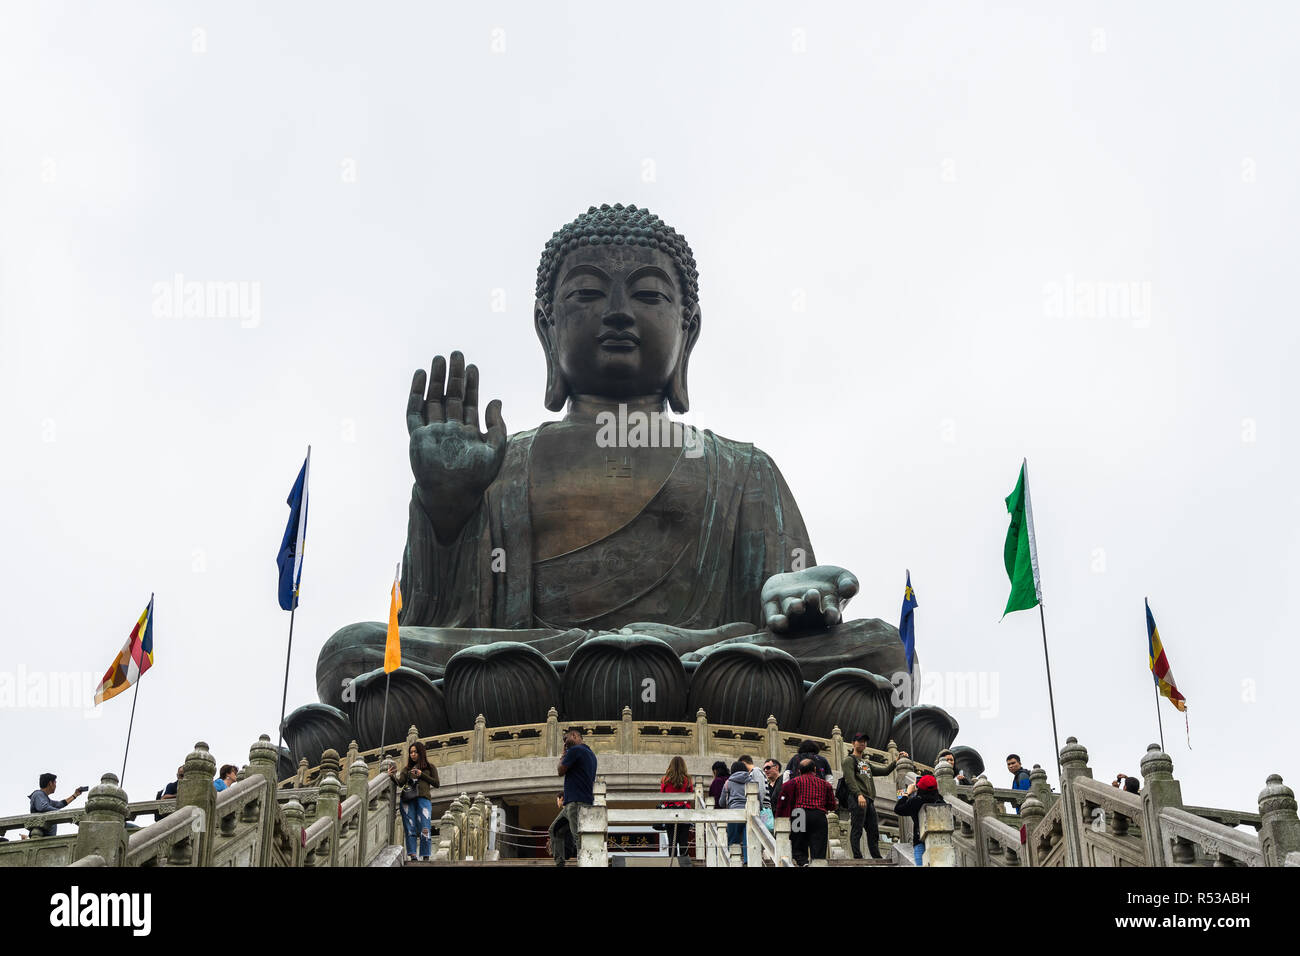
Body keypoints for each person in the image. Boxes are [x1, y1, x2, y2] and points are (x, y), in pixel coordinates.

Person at [841, 732, 903, 860]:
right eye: (859, 740)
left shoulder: (866, 763)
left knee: (873, 830)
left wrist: (896, 761)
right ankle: (858, 857)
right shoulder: (849, 760)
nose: (862, 743)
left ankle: (876, 856)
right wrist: (858, 795)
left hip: (869, 800)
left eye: (864, 741)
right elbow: (850, 780)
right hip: (857, 798)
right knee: (857, 829)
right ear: (853, 743)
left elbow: (885, 771)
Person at [775, 757, 837, 866]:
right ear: (814, 769)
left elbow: (782, 804)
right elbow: (832, 804)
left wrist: (779, 819)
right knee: (818, 848)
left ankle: (803, 863)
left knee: (797, 846)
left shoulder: (791, 783)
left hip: (799, 814)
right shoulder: (825, 784)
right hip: (819, 815)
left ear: (799, 770)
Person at [550, 728, 597, 866]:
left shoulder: (575, 750)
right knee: (555, 830)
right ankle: (560, 862)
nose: (564, 742)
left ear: (575, 736)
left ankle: (588, 863)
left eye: (566, 739)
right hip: (579, 800)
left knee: (579, 837)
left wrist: (564, 753)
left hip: (576, 803)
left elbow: (560, 770)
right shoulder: (591, 755)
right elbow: (582, 778)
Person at [386, 741, 439, 862]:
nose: (413, 754)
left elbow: (436, 783)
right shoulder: (407, 769)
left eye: (415, 752)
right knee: (410, 828)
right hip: (407, 801)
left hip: (423, 800)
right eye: (411, 752)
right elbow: (400, 783)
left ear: (421, 752)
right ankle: (413, 855)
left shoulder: (430, 767)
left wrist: (421, 775)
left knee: (425, 828)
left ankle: (426, 855)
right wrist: (391, 776)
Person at [895, 773, 944, 865]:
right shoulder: (940, 800)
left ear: (920, 788)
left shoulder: (916, 802)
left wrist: (906, 793)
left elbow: (897, 809)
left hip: (919, 841)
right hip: (940, 841)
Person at [659, 755, 693, 864]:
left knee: (671, 842)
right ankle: (684, 864)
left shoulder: (665, 779)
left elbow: (662, 797)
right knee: (683, 841)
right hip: (684, 812)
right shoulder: (688, 780)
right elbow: (690, 797)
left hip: (670, 812)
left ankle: (672, 863)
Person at [723, 760, 752, 863]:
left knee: (733, 840)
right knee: (748, 839)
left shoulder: (728, 782)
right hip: (749, 812)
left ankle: (733, 861)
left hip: (734, 813)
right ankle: (748, 861)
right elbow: (758, 797)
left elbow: (722, 802)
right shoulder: (751, 781)